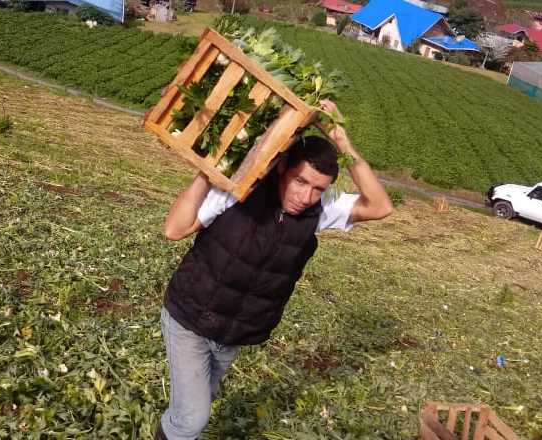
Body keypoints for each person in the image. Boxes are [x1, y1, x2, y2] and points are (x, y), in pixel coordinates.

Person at [156, 100, 393, 439]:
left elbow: (380, 206)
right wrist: (207, 172)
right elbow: (173, 229)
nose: (307, 196)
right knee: (193, 418)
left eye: (318, 189)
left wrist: (343, 143)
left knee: (194, 408)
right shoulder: (240, 190)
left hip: (234, 332)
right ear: (282, 167)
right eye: (301, 181)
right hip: (189, 316)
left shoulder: (320, 211)